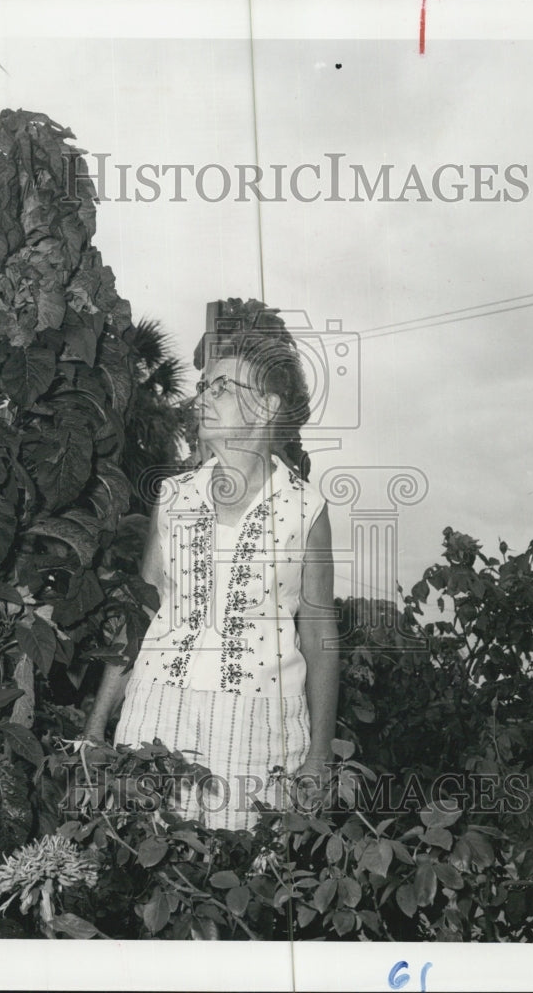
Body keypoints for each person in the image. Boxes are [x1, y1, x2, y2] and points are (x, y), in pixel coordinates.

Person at [84, 304, 340, 830]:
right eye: (204, 386)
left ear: (266, 406)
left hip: (261, 728)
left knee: (243, 866)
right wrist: (96, 725)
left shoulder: (305, 510)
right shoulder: (174, 496)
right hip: (155, 713)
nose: (201, 397)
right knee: (144, 855)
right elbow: (142, 612)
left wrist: (319, 755)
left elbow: (319, 635)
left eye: (221, 387)